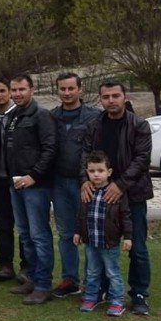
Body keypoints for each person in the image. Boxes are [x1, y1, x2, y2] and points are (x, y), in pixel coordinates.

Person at [82, 81, 154, 316]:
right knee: (98, 244)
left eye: (115, 96)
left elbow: (142, 159)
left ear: (125, 97)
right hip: (99, 195)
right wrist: (84, 179)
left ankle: (139, 293)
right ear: (100, 99)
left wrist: (120, 185)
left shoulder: (139, 125)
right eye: (106, 97)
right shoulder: (94, 125)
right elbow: (85, 155)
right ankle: (100, 289)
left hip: (132, 194)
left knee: (138, 247)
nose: (111, 100)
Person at [3, 74, 57, 305]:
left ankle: (44, 285)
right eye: (14, 90)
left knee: (39, 235)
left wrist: (34, 175)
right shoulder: (13, 115)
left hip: (36, 185)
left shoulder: (41, 115)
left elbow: (50, 148)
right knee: (25, 235)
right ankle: (32, 279)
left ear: (32, 90)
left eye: (21, 89)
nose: (17, 94)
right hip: (16, 183)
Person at [50, 72, 100, 298]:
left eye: (71, 88)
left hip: (86, 183)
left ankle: (93, 282)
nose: (67, 93)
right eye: (63, 89)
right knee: (65, 233)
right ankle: (70, 279)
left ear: (80, 89)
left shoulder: (94, 117)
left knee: (90, 233)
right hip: (59, 182)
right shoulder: (51, 117)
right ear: (57, 91)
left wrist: (89, 179)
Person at [74, 152, 132, 317]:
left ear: (109, 172)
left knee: (112, 272)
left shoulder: (116, 193)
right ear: (87, 172)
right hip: (91, 241)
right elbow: (81, 214)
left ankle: (117, 301)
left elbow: (125, 216)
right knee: (91, 272)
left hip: (110, 243)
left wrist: (128, 237)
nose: (96, 174)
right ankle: (91, 297)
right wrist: (78, 232)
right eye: (92, 171)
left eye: (100, 170)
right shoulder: (87, 191)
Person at [0, 78, 24, 282]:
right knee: (2, 224)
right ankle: (5, 264)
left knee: (24, 226)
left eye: (2, 90)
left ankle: (27, 266)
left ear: (9, 92)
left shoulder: (20, 113)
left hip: (18, 177)